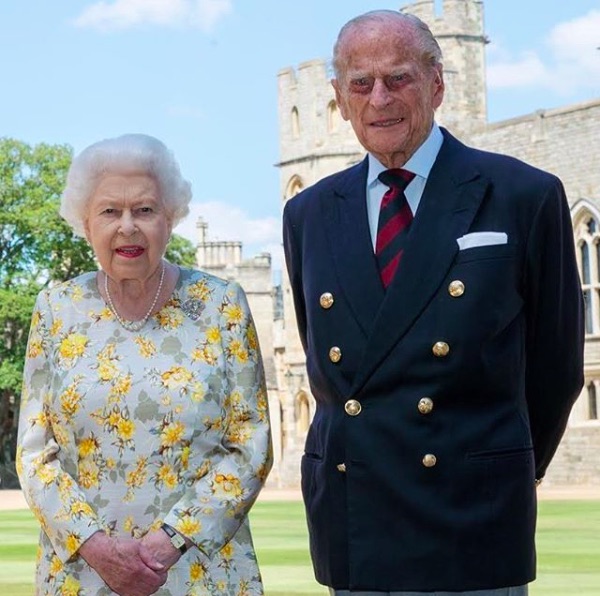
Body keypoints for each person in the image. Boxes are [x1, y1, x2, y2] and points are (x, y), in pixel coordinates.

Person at [282, 10, 584, 596]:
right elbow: (325, 360)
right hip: (356, 519)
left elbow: (556, 367)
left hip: (472, 518)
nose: (379, 99)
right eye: (360, 84)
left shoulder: (524, 195)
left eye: (398, 79)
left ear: (438, 85)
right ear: (338, 101)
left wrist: (498, 466)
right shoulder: (309, 212)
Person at [17, 133, 273, 595]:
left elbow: (250, 445)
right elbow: (34, 453)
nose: (128, 227)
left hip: (201, 570)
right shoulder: (56, 308)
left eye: (146, 210)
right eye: (110, 211)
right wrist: (96, 547)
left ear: (170, 218)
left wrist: (168, 541)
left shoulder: (221, 305)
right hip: (83, 573)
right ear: (85, 222)